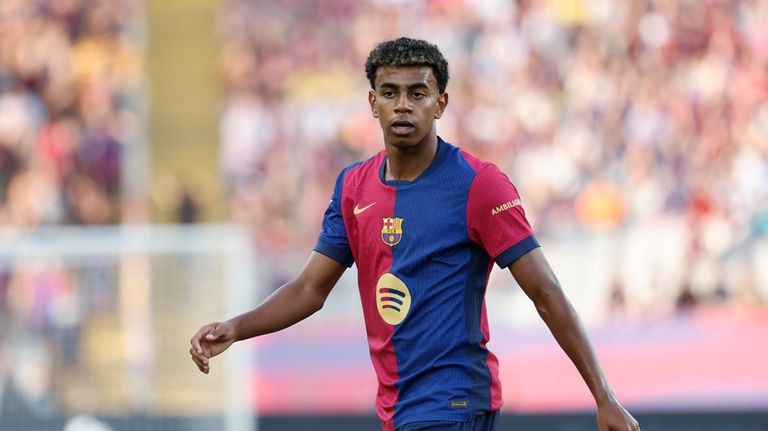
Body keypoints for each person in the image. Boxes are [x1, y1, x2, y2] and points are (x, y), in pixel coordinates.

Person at [190, 37, 640, 431]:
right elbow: (310, 288)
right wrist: (236, 327)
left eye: (417, 93)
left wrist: (604, 397)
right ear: (372, 103)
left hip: (454, 400)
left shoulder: (479, 185)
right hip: (399, 406)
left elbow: (545, 290)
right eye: (390, 93)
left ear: (440, 103)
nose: (402, 104)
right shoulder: (353, 187)